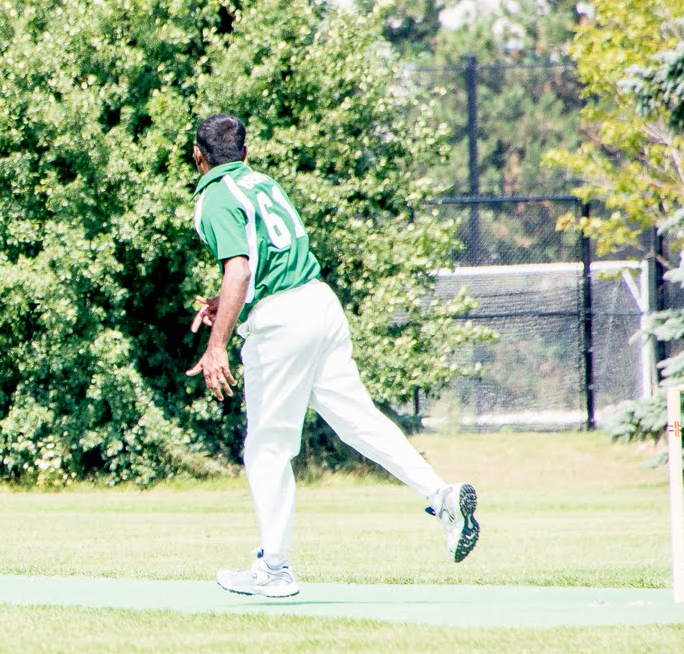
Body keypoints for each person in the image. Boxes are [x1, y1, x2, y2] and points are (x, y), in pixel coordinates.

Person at [184, 114, 479, 597]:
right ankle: (440, 495)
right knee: (358, 420)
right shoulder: (263, 184)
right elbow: (267, 262)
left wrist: (217, 344)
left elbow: (239, 269)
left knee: (267, 447)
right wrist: (232, 302)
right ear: (245, 152)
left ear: (198, 156)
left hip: (282, 324)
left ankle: (274, 568)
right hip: (318, 303)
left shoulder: (215, 196)